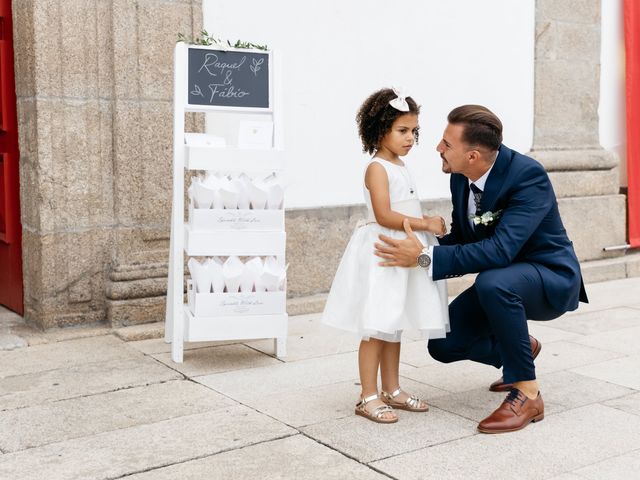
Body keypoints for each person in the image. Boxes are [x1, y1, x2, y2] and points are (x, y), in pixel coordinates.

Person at [374, 104, 588, 433]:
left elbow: (501, 250)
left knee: (493, 282)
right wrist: (415, 250)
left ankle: (527, 393)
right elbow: (462, 238)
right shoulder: (461, 180)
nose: (437, 149)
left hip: (549, 278)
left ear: (473, 155)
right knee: (443, 344)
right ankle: (518, 347)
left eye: (446, 144)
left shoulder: (528, 177)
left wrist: (425, 257)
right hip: (503, 279)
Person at [321, 87, 450, 424]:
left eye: (414, 131)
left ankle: (392, 389)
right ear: (381, 130)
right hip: (385, 250)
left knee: (395, 322)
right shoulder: (377, 167)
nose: (410, 138)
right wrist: (426, 223)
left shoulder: (401, 165)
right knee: (377, 323)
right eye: (402, 130)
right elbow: (383, 214)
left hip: (405, 251)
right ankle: (367, 395)